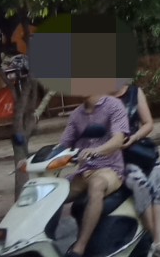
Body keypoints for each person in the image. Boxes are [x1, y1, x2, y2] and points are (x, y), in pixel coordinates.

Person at [33, 88, 128, 257]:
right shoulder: (76, 115)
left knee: (97, 185)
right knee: (51, 191)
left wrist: (96, 150)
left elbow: (118, 140)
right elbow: (62, 146)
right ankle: (39, 241)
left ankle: (80, 247)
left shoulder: (114, 105)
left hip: (110, 169)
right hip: (84, 172)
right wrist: (33, 159)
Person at [115, 78, 160, 257]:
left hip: (140, 151)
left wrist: (134, 137)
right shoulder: (101, 98)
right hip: (118, 158)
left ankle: (158, 242)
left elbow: (148, 123)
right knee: (139, 183)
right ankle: (156, 240)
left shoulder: (135, 92)